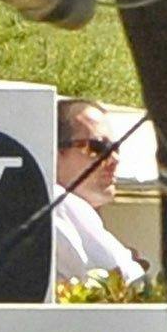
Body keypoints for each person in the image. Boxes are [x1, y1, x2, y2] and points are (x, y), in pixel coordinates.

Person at [48, 96, 137, 286]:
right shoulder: (56, 202)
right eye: (97, 147)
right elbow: (127, 280)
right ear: (54, 153)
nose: (114, 159)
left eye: (115, 148)